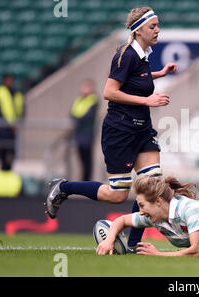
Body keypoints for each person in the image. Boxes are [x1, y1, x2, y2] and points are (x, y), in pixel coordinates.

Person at [44, 7, 177, 252]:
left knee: (151, 186)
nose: (158, 30)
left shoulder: (143, 54)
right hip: (121, 130)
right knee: (117, 195)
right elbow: (109, 92)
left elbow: (138, 79)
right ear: (138, 30)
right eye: (152, 26)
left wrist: (160, 73)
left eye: (158, 25)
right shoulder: (125, 55)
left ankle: (135, 246)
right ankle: (63, 188)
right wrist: (148, 100)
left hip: (142, 129)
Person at [0, 73, 25, 170]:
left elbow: (21, 110)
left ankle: (9, 169)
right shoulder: (0, 92)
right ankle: (4, 169)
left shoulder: (17, 94)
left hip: (13, 129)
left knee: (12, 151)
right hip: (2, 128)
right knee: (3, 152)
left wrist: (17, 124)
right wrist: (9, 125)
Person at [70, 79, 99, 181]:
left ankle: (86, 180)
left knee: (87, 159)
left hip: (87, 133)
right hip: (78, 133)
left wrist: (77, 120)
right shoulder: (79, 99)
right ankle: (83, 180)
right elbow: (72, 113)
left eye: (87, 87)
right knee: (81, 158)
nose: (84, 89)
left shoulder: (93, 100)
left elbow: (88, 116)